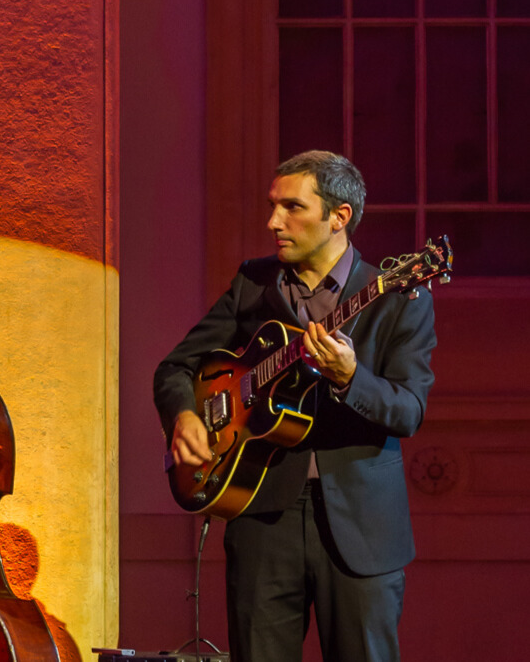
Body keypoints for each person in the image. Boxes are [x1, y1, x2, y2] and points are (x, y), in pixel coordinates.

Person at [153, 150, 436, 662]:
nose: (272, 222)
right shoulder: (252, 283)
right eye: (272, 206)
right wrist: (185, 417)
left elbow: (408, 409)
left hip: (362, 527)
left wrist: (351, 379)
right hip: (260, 515)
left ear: (339, 217)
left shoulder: (397, 297)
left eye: (291, 208)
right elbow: (175, 368)